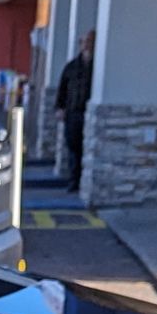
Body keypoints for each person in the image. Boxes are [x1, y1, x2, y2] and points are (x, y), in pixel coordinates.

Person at [54, 28, 94, 192]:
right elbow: (62, 89)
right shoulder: (71, 67)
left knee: (86, 149)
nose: (85, 45)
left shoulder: (97, 67)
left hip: (88, 112)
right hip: (73, 112)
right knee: (73, 147)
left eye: (89, 42)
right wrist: (60, 108)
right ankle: (74, 180)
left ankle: (84, 180)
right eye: (83, 42)